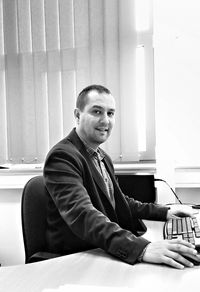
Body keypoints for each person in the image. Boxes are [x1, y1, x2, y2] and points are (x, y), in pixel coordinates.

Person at [43, 84, 200, 269]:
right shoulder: (63, 156)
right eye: (97, 111)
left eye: (110, 113)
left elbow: (119, 201)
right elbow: (82, 214)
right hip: (76, 258)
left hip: (101, 249)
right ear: (77, 115)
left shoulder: (102, 157)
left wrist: (165, 213)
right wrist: (141, 249)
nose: (105, 121)